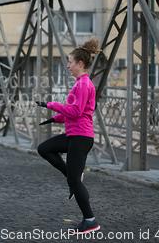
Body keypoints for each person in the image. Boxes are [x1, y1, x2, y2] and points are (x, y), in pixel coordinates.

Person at [35, 37, 101, 234]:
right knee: (44, 149)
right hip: (75, 135)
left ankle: (90, 220)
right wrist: (55, 119)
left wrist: (51, 104)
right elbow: (74, 112)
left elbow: (76, 112)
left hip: (80, 138)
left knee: (74, 182)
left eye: (70, 62)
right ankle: (73, 174)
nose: (68, 66)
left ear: (80, 64)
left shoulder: (83, 84)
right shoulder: (81, 83)